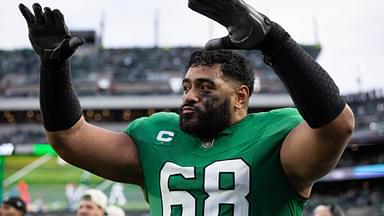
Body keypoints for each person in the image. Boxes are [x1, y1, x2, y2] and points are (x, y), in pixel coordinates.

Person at [18, 0, 355, 215]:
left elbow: (335, 125)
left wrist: (274, 40)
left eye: (205, 87)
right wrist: (54, 68)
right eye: (186, 87)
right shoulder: (156, 135)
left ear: (241, 96)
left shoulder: (276, 133)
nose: (190, 96)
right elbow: (69, 137)